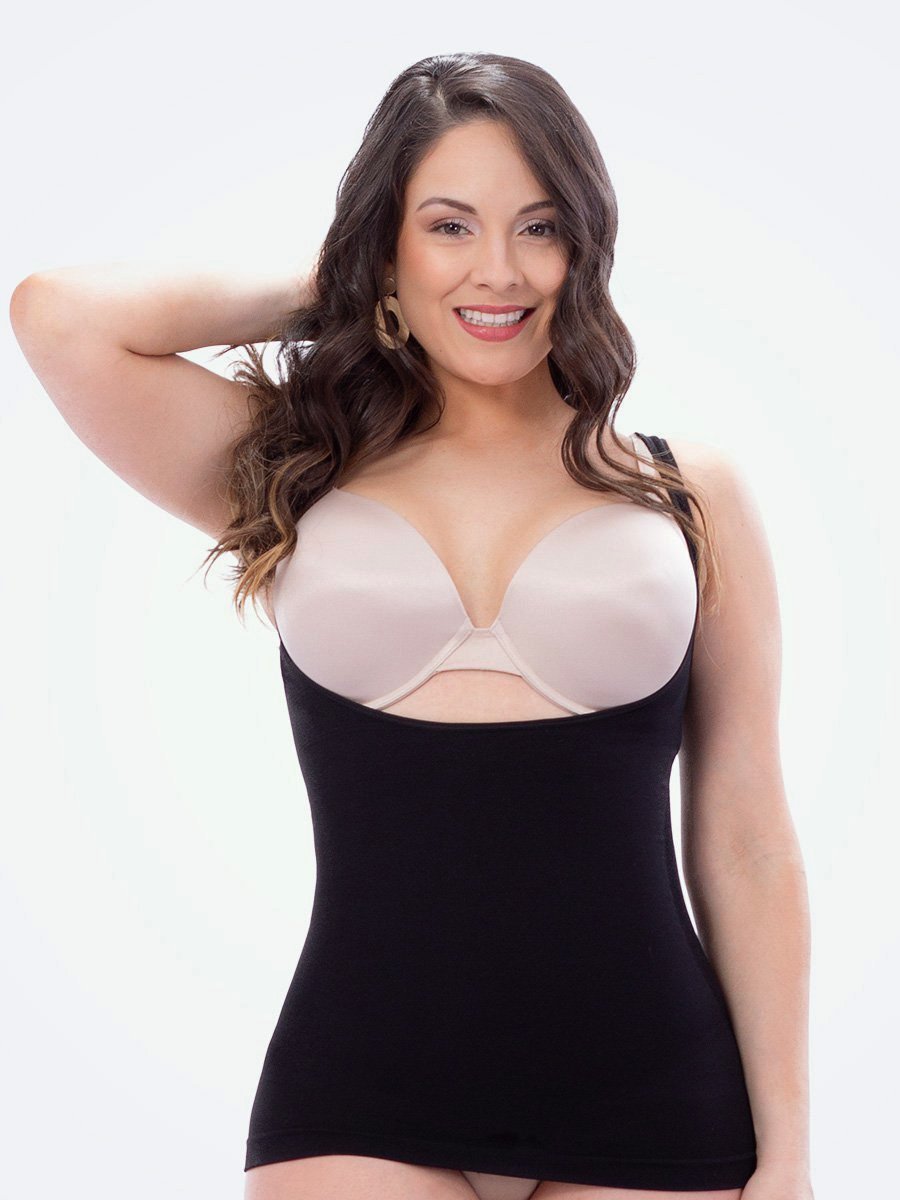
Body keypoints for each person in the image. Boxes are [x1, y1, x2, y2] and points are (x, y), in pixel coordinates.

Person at [10, 51, 813, 1200]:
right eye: (449, 226)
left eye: (539, 227)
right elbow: (60, 318)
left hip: (658, 1095)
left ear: (586, 244)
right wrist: (352, 279)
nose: (500, 270)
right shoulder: (296, 472)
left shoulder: (687, 491)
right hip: (357, 1099)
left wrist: (788, 1153)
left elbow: (746, 835)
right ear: (388, 242)